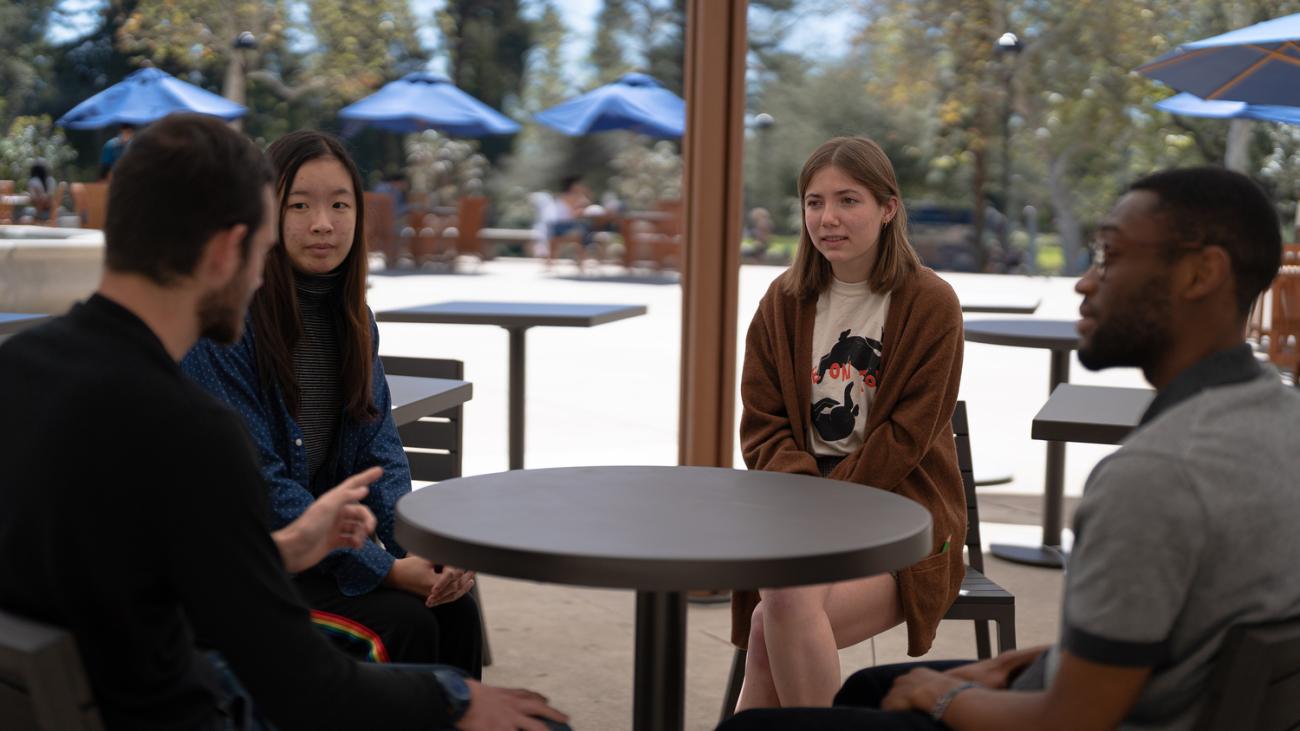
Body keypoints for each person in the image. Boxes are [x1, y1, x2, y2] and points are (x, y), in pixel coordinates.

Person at [0, 114, 568, 731]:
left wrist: (290, 548)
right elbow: (300, 682)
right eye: (267, 241)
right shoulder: (190, 429)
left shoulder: (19, 368)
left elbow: (151, 565)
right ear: (227, 250)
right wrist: (454, 700)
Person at [719, 166, 1300, 731]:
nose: (1082, 281)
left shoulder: (1152, 478)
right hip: (1168, 694)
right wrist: (1032, 662)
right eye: (814, 202)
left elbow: (1074, 716)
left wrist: (944, 697)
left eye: (1111, 257)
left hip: (913, 533)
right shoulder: (1276, 423)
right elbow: (1159, 642)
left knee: (793, 688)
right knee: (825, 659)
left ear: (1201, 275)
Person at [181, 130, 483, 673]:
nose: (323, 223)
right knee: (404, 624)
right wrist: (383, 569)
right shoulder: (227, 325)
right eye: (299, 205)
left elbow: (381, 456)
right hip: (241, 570)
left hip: (319, 551)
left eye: (340, 205)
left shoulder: (355, 322)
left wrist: (417, 552)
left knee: (453, 605)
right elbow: (262, 485)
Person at [732, 136, 966, 711]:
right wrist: (809, 503)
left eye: (847, 200)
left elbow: (907, 438)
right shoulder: (782, 301)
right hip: (797, 506)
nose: (828, 218)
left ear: (888, 208)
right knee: (776, 619)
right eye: (814, 202)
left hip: (903, 513)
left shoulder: (931, 303)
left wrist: (829, 513)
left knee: (779, 614)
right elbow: (762, 427)